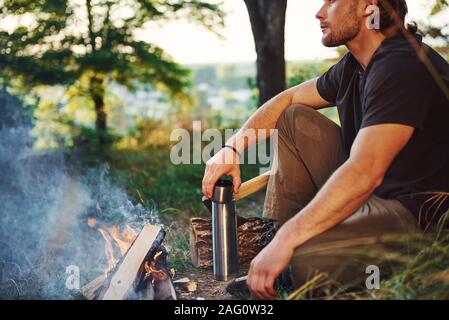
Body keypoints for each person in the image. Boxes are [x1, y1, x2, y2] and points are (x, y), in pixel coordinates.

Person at [201, 0, 449, 299]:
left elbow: (364, 172)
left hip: (417, 215)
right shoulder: (355, 66)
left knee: (309, 262)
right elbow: (287, 100)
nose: (319, 12)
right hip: (373, 192)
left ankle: (291, 259)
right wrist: (231, 148)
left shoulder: (403, 65)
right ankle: (279, 240)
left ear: (369, 8)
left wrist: (291, 241)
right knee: (293, 118)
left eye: (331, 1)